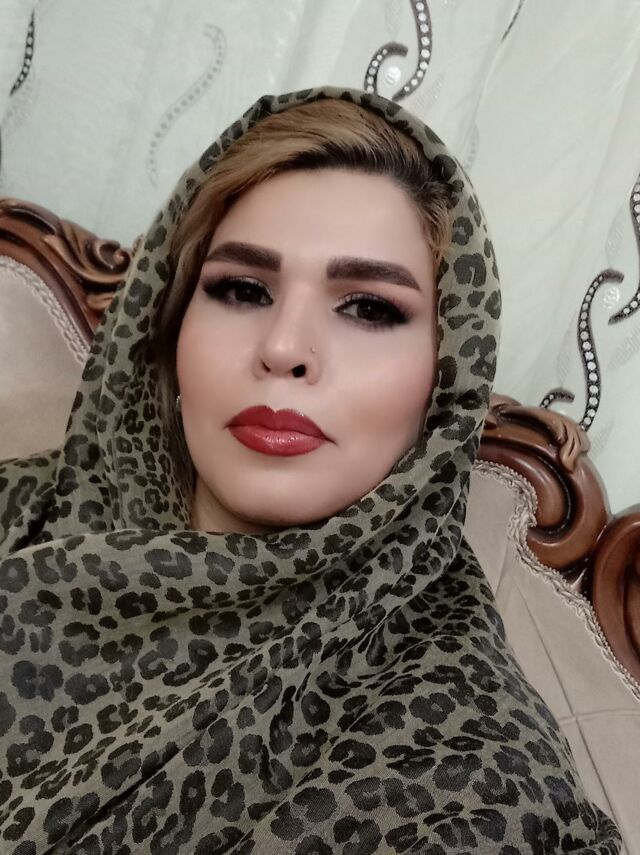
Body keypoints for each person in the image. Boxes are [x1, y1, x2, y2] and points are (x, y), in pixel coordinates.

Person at [0, 86, 620, 854]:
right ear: (169, 320)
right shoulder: (23, 511)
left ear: (445, 382)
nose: (284, 346)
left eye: (368, 307)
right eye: (242, 289)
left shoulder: (469, 776)